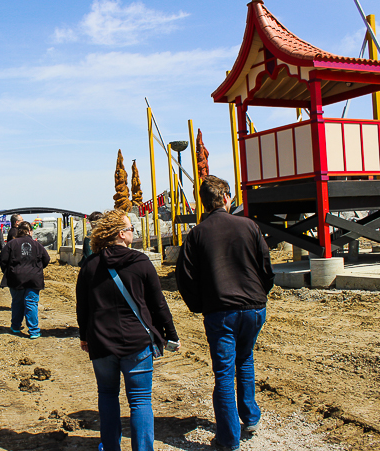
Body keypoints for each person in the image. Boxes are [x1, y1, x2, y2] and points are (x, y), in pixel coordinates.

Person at [175, 175, 274, 451]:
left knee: (223, 373)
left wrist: (200, 305)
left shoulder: (197, 234)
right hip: (254, 307)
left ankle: (228, 439)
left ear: (203, 204)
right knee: (245, 359)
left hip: (220, 311)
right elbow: (266, 267)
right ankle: (250, 417)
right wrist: (260, 293)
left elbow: (184, 277)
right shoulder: (249, 226)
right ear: (227, 197)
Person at [76, 209, 179, 451]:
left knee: (108, 395)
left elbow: (83, 307)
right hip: (137, 342)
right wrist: (170, 335)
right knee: (141, 400)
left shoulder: (90, 266)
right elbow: (158, 303)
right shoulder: (140, 261)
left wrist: (84, 336)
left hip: (101, 342)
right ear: (121, 234)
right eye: (131, 228)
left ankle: (111, 447)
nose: (133, 232)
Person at [0, 221, 50, 339]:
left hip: (16, 277)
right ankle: (33, 330)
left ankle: (16, 326)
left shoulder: (11, 244)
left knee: (17, 301)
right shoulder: (37, 245)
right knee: (31, 302)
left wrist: (9, 272)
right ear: (30, 231)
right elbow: (46, 259)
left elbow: (3, 260)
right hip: (34, 278)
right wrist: (37, 268)